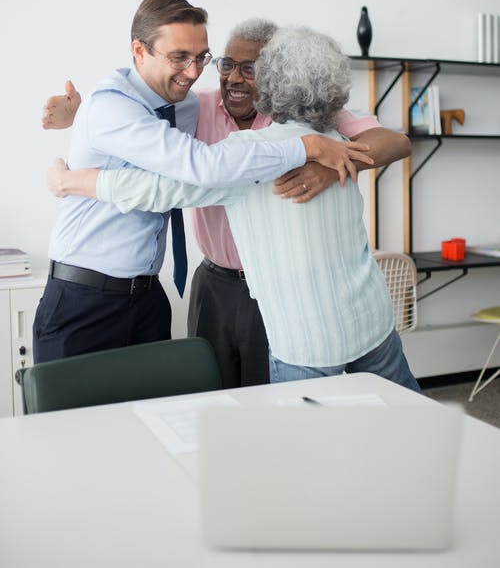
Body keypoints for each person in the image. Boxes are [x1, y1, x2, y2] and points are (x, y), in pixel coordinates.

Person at [47, 25, 420, 392]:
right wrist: (83, 119)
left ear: (269, 82)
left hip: (306, 337)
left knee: (302, 444)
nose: (235, 78)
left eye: (252, 69)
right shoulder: (339, 144)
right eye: (226, 64)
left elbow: (159, 190)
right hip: (369, 319)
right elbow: (143, 126)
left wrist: (78, 181)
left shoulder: (249, 156)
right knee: (404, 418)